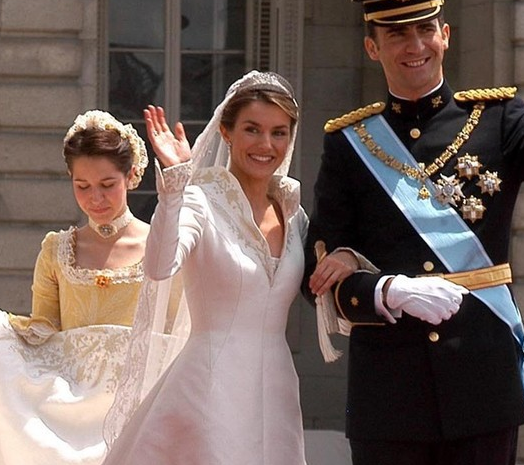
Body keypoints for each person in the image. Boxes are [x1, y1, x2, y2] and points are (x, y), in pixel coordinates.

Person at [304, 0, 524, 465]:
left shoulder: (497, 120)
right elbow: (320, 272)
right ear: (372, 48)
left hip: (482, 381)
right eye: (396, 34)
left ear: (446, 36)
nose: (414, 45)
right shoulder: (350, 144)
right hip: (390, 395)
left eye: (424, 29)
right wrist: (384, 291)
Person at [102, 70, 355, 465]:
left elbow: (323, 283)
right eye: (252, 129)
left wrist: (351, 259)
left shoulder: (295, 213)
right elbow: (159, 265)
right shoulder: (199, 200)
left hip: (276, 387)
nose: (266, 144)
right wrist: (174, 184)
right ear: (226, 131)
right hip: (208, 388)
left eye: (279, 132)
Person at [0, 110, 150, 465]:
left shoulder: (160, 246)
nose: (95, 198)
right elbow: (45, 330)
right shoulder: (57, 249)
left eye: (107, 184)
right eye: (82, 186)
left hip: (136, 397)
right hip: (72, 401)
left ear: (131, 177)